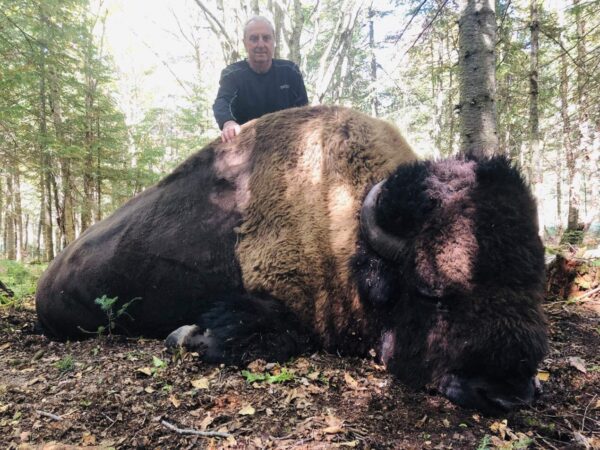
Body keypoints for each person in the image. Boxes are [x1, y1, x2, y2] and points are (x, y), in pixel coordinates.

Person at [213, 16, 309, 143]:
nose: (260, 44)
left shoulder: (290, 71)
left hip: (286, 142)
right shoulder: (232, 74)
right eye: (254, 39)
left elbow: (304, 110)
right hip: (245, 145)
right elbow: (222, 102)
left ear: (273, 41)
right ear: (245, 43)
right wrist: (228, 122)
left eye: (266, 38)